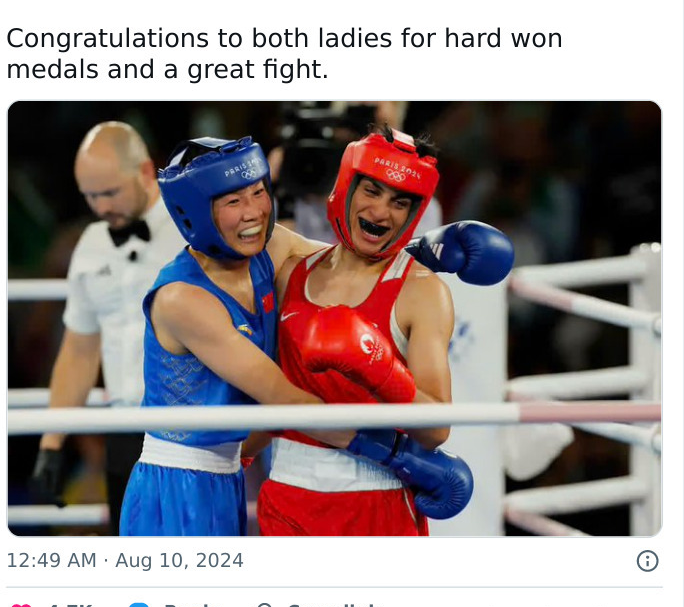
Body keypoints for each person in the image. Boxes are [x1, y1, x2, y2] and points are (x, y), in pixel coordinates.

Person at [120, 136, 476, 537]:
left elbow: (344, 257)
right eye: (234, 201)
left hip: (260, 476)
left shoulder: (275, 254)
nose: (253, 212)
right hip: (210, 484)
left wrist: (431, 250)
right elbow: (283, 398)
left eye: (258, 192)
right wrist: (398, 453)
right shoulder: (207, 292)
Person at [257, 126, 513, 536]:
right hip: (287, 495)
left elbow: (436, 428)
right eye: (371, 192)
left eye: (400, 202)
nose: (381, 213)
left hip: (375, 501)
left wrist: (377, 366)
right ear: (346, 187)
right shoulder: (292, 270)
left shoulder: (421, 292)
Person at [29, 122, 184, 533]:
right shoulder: (92, 244)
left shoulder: (194, 227)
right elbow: (79, 351)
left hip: (194, 432)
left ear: (147, 172)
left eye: (110, 192)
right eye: (90, 196)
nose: (100, 206)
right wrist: (52, 442)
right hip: (124, 432)